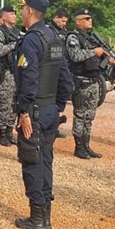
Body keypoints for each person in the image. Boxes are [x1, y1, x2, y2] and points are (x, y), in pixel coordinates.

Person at [12, 0, 73, 229]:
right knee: (46, 161)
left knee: (32, 161)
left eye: (23, 8)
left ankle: (37, 217)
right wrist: (57, 107)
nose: (21, 13)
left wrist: (24, 111)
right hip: (49, 110)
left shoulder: (32, 40)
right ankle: (45, 215)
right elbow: (66, 79)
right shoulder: (54, 37)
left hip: (35, 111)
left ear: (29, 11)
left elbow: (29, 78)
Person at [66, 8, 115, 160]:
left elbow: (99, 56)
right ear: (78, 21)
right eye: (86, 18)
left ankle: (86, 145)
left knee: (90, 116)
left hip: (94, 80)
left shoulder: (92, 37)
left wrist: (109, 59)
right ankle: (79, 147)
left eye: (90, 18)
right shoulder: (73, 37)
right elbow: (75, 56)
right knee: (80, 115)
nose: (90, 20)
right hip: (82, 81)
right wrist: (95, 52)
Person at [0, 5, 21, 147]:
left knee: (14, 103)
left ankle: (10, 131)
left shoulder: (16, 32)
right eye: (11, 14)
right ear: (3, 16)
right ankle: (2, 133)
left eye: (15, 13)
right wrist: (13, 45)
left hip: (16, 71)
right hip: (5, 72)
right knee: (5, 102)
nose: (14, 16)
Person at [48, 8, 71, 138]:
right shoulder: (49, 30)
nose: (63, 24)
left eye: (65, 22)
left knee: (63, 94)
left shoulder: (64, 32)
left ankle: (55, 125)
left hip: (63, 67)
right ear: (55, 17)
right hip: (53, 68)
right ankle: (52, 127)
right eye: (62, 21)